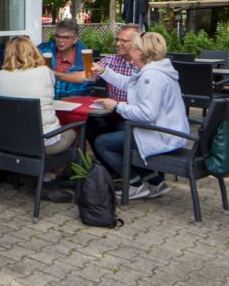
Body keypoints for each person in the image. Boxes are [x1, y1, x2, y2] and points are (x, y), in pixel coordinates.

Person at [92, 32, 188, 200]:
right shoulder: (155, 70)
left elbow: (147, 114)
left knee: (102, 143)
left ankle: (135, 184)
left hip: (161, 135)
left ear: (140, 52)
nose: (129, 49)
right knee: (121, 133)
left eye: (133, 47)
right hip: (169, 130)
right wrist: (104, 71)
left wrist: (117, 106)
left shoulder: (151, 77)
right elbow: (128, 83)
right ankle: (154, 182)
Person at [0, 36, 77, 201]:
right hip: (41, 141)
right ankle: (51, 178)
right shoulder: (45, 72)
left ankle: (39, 174)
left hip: (9, 141)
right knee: (73, 132)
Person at [86, 24, 140, 172]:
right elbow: (88, 77)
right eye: (117, 39)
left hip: (133, 118)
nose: (118, 43)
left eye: (123, 41)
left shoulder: (144, 67)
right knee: (89, 124)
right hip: (112, 113)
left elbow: (128, 85)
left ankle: (132, 175)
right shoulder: (111, 60)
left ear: (137, 43)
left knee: (107, 140)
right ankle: (109, 169)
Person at [37, 19, 93, 97]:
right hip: (44, 98)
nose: (60, 40)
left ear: (74, 40)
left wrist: (52, 74)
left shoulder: (84, 58)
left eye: (66, 37)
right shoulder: (43, 51)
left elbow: (87, 81)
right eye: (58, 36)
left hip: (73, 100)